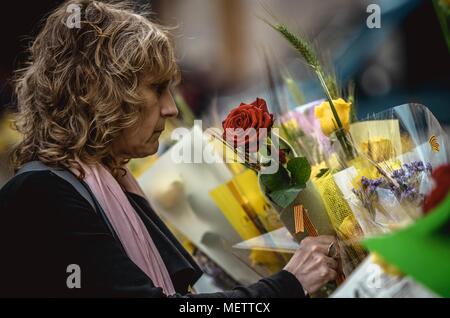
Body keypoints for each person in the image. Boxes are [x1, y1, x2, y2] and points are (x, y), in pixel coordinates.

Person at [0, 0, 339, 297]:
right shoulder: (42, 194)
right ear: (103, 94)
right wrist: (289, 284)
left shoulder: (108, 183)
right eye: (158, 88)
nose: (171, 108)